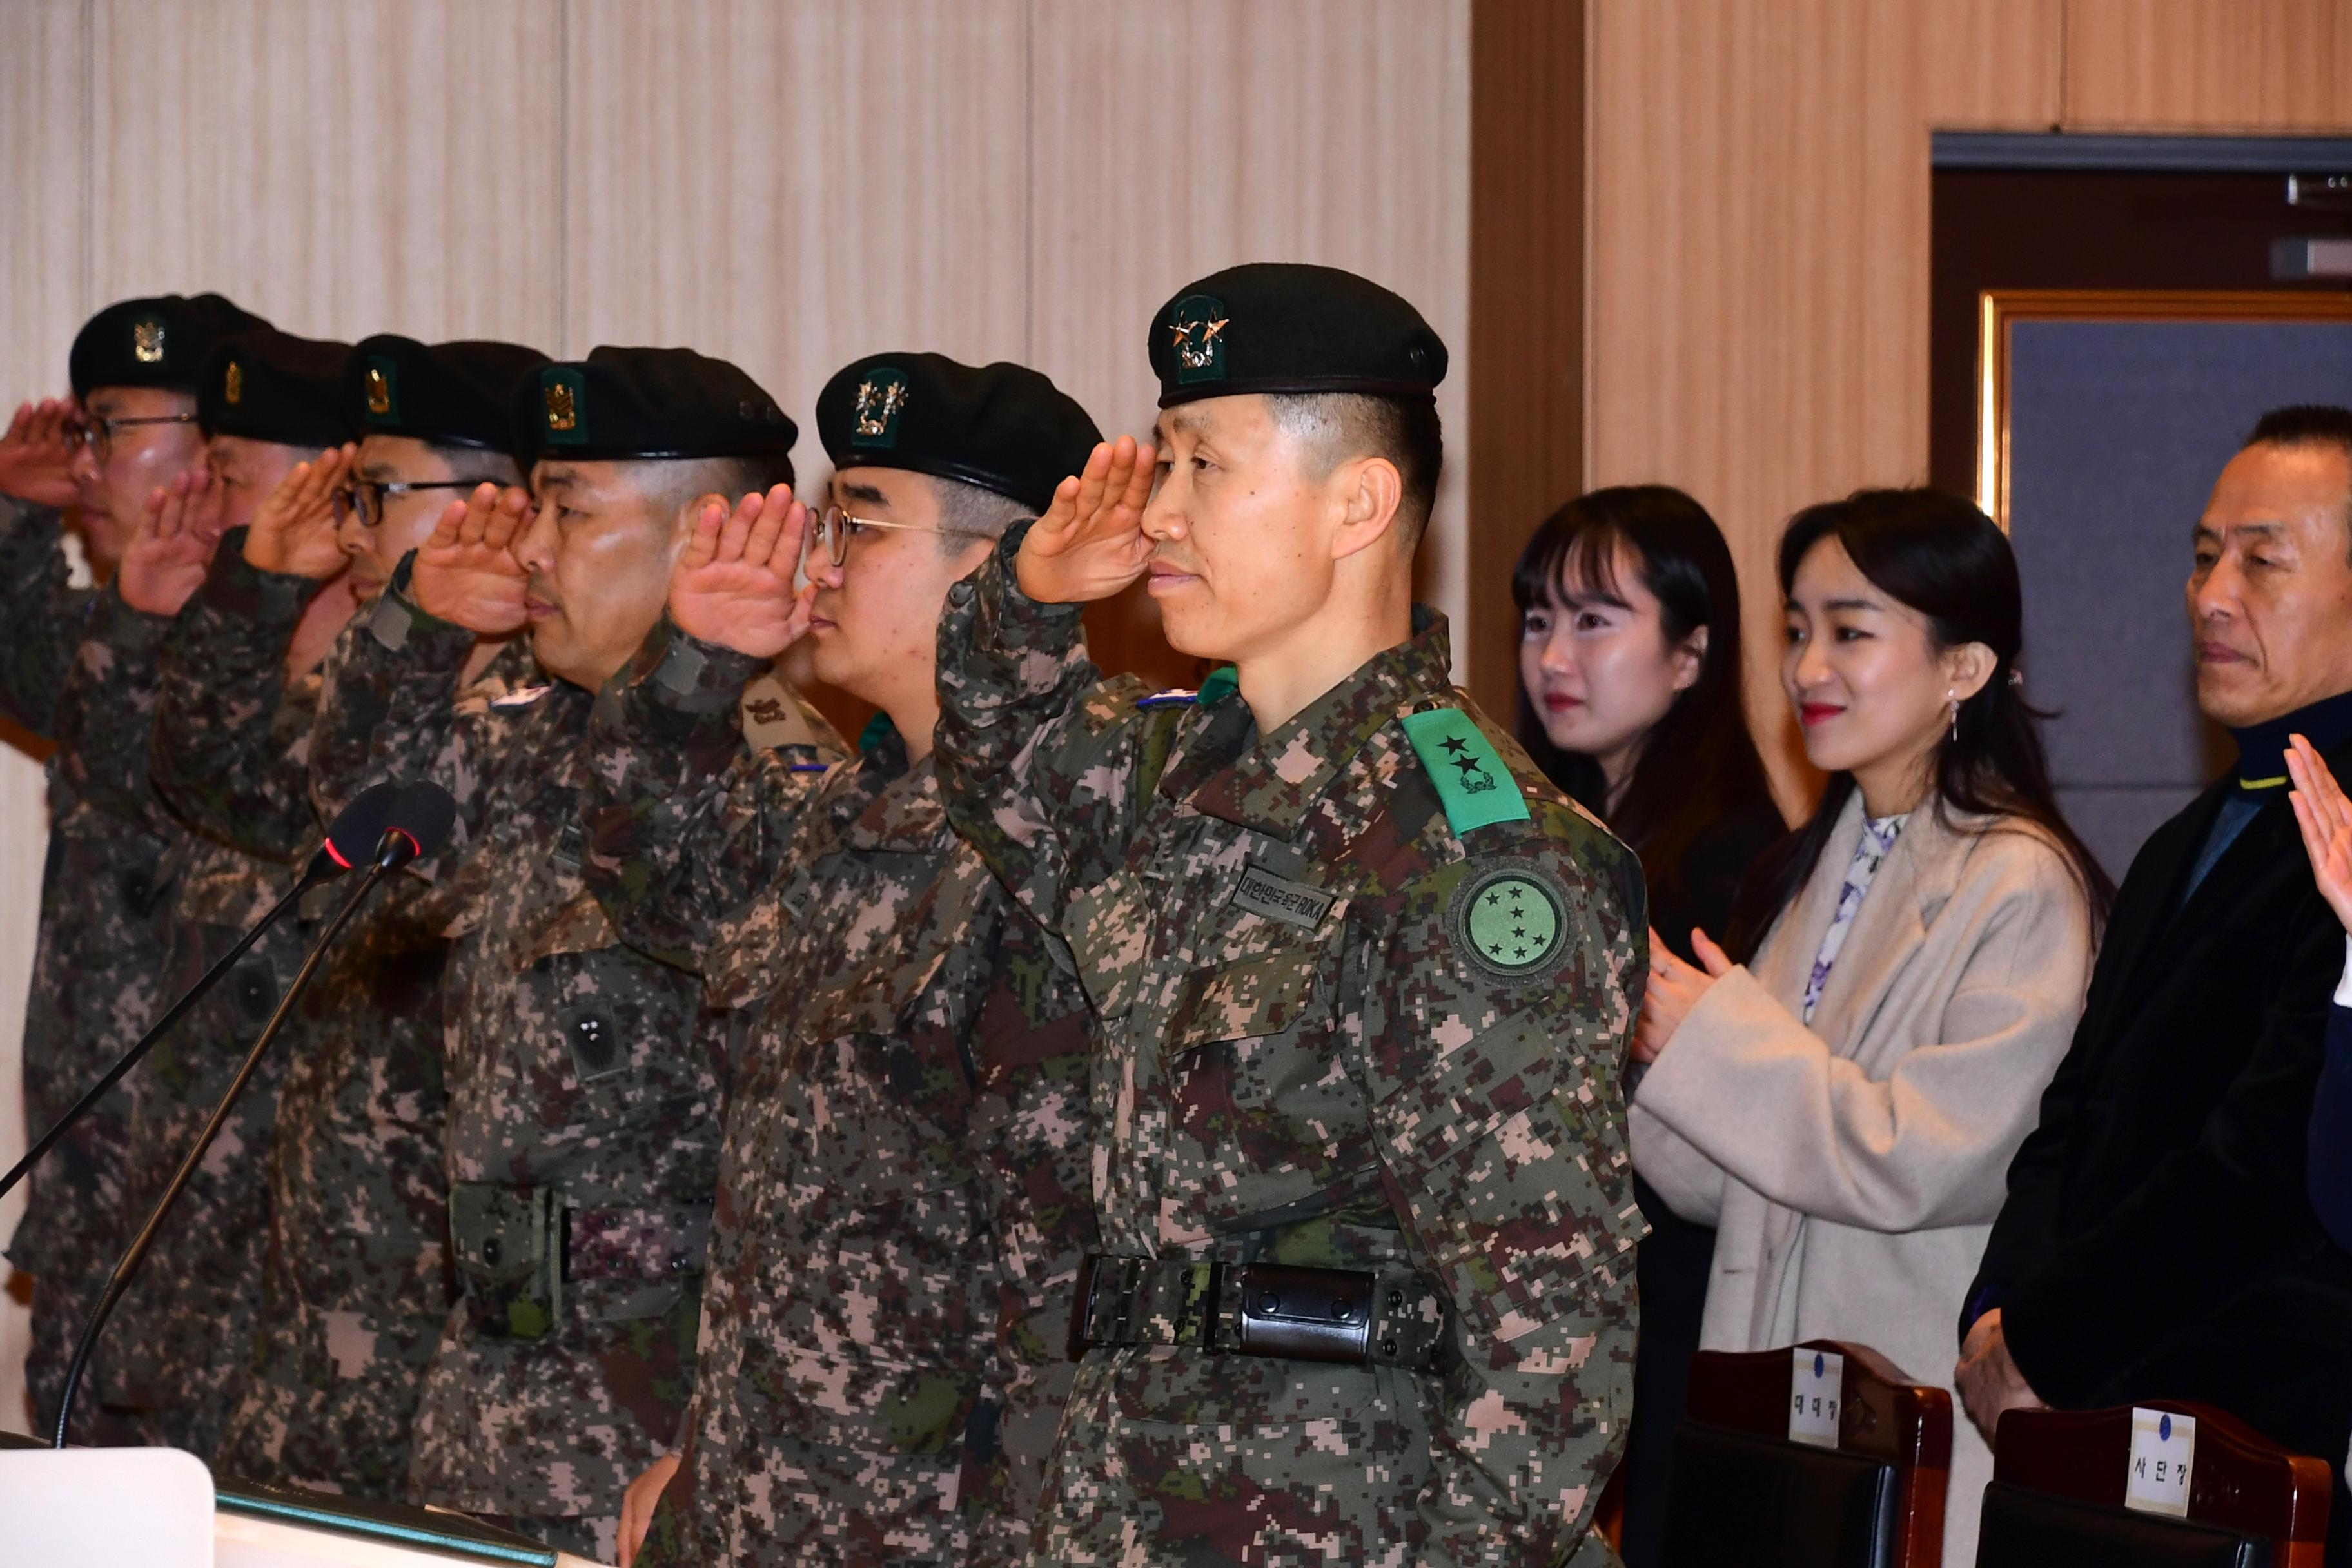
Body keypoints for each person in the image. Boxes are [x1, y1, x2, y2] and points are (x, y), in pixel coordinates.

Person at [933, 262, 1645, 1566]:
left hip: (1343, 1529)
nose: (1157, 510)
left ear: (1357, 503)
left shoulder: (1473, 849)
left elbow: (1547, 1328)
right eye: (1163, 460)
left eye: (1206, 466)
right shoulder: (1188, 779)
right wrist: (1029, 599)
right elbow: (997, 762)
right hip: (1133, 1506)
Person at [591, 353, 1102, 1568]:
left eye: (861, 529)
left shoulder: (1059, 846)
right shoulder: (850, 810)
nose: (817, 562)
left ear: (999, 570)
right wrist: (696, 662)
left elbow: (1063, 1300)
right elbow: (639, 869)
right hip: (762, 1511)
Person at [313, 347, 808, 1560]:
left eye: (569, 511)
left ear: (708, 534)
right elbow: (344, 856)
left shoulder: (776, 782)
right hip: (485, 1415)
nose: (529, 547)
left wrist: (717, 1436)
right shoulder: (531, 738)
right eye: (531, 506)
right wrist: (416, 632)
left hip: (649, 1441)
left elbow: (806, 1185)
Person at [1629, 488, 2104, 1563]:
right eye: (1797, 631)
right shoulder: (1821, 862)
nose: (1806, 668)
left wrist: (1709, 1039)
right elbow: (1736, 1178)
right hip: (1783, 1412)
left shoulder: (2020, 883)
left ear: (1963, 668)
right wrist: (1647, 1046)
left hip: (1909, 1424)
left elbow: (1923, 1156)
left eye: (1850, 631)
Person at [146, 334, 547, 1494]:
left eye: (378, 494)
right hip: (310, 1353)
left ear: (499, 507)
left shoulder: (554, 740)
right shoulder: (377, 714)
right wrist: (256, 585)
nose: (355, 530)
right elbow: (213, 778)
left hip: (448, 1377)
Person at [1960, 405, 2352, 1557]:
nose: (2212, 595)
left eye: (2262, 561)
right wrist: (2000, 1317)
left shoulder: (2347, 847)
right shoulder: (2192, 833)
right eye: (2201, 556)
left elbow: (2268, 1159)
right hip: (2082, 1417)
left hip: (2249, 1432)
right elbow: (2075, 1111)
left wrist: (2048, 1343)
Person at [0, 293, 265, 1443]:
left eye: (113, 427)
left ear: (213, 450)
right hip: (87, 1189)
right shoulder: (114, 625)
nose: (87, 460)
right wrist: (14, 515)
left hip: (205, 1211)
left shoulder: (262, 641)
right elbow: (23, 656)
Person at [1513, 485, 1780, 1568]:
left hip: (1674, 1316)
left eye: (1595, 619)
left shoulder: (1735, 859)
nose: (1553, 658)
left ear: (1690, 654)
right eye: (1537, 620)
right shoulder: (1561, 834)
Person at [104, 328, 357, 1457]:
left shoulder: (367, 726)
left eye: (233, 474)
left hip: (297, 1316)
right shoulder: (244, 689)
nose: (201, 498)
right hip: (182, 1281)